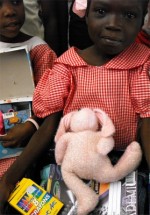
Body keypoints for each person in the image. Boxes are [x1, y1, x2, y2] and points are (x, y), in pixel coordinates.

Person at [0, 0, 150, 214]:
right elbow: (49, 125)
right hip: (72, 164)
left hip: (124, 165)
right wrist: (9, 179)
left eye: (129, 16)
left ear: (143, 19)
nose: (114, 24)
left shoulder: (142, 64)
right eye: (101, 11)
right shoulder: (67, 66)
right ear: (85, 14)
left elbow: (147, 121)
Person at [0, 0, 56, 179]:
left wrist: (31, 125)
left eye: (16, 2)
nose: (10, 11)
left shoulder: (37, 49)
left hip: (19, 149)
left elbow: (51, 100)